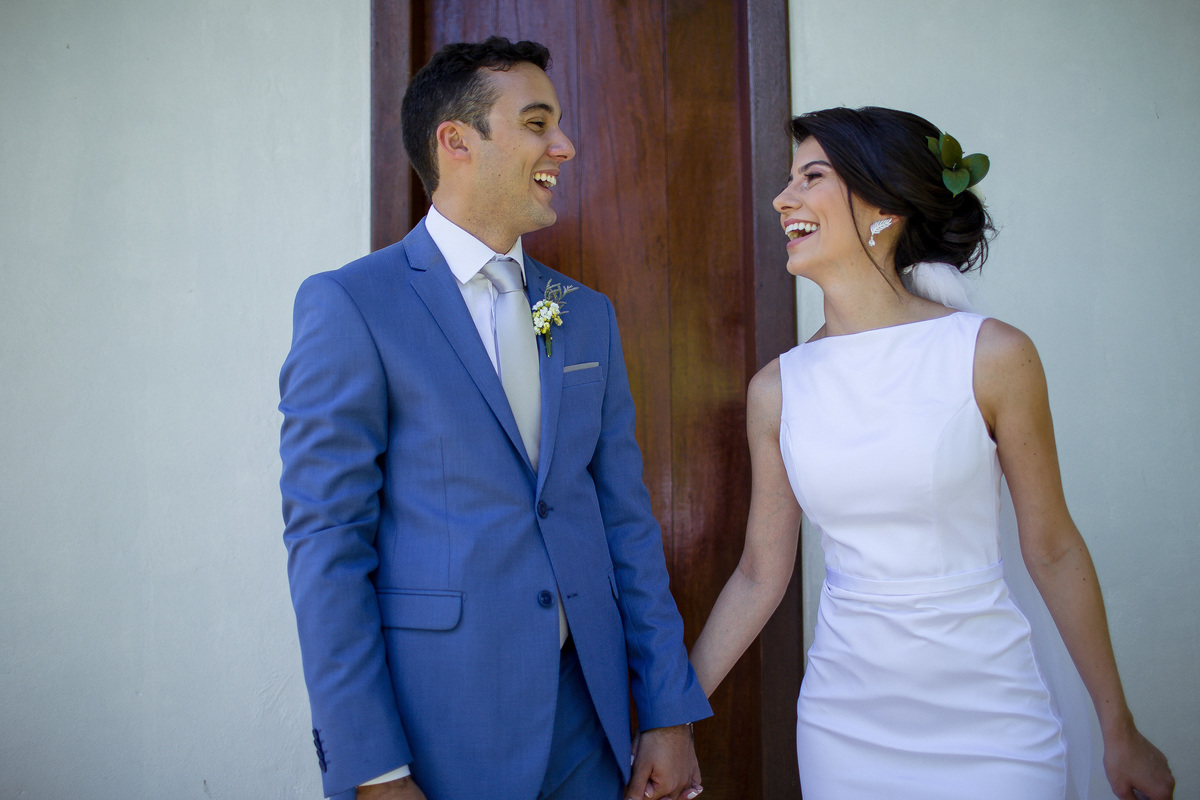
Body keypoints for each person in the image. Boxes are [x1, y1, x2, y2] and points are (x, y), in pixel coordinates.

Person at [688, 106, 1175, 800]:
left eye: (812, 177)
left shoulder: (992, 355)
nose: (782, 198)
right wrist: (672, 718)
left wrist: (1118, 729)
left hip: (994, 717)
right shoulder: (778, 390)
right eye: (788, 180)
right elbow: (760, 575)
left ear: (883, 207)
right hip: (846, 724)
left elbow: (1053, 548)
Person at [279, 37, 710, 800]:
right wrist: (374, 769)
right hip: (441, 726)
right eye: (538, 123)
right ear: (456, 142)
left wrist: (668, 714)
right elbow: (328, 546)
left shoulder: (588, 316)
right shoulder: (351, 305)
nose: (565, 146)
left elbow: (625, 523)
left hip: (591, 720)